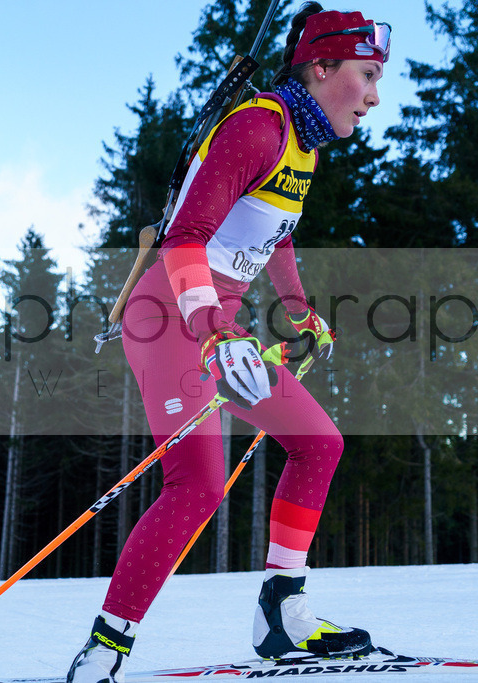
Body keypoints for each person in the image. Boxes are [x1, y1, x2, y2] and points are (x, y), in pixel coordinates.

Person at [68, 4, 390, 682]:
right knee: (198, 483)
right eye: (365, 74)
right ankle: (104, 648)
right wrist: (213, 329)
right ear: (322, 67)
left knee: (318, 442)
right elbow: (185, 236)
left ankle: (281, 613)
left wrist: (298, 311)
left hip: (220, 323)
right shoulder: (259, 126)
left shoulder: (302, 146)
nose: (374, 95)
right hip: (170, 313)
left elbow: (276, 230)